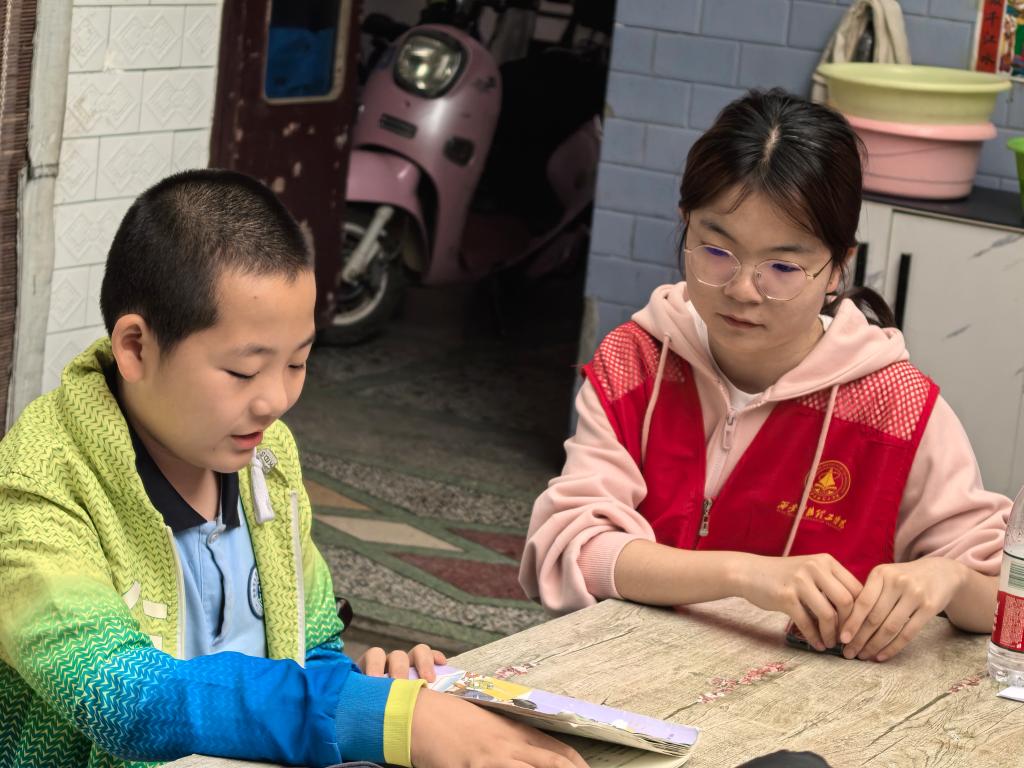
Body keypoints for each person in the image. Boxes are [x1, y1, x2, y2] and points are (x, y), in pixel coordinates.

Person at [0, 170, 585, 768]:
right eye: (243, 371)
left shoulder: (266, 456)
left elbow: (312, 645)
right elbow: (124, 697)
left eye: (298, 363)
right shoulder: (36, 487)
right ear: (136, 348)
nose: (275, 401)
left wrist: (371, 685)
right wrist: (375, 716)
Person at [519, 88, 1009, 663]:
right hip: (624, 676)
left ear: (837, 268)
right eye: (716, 250)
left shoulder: (896, 408)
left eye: (782, 266)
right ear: (685, 227)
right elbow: (574, 550)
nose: (743, 290)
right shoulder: (637, 362)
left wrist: (950, 577)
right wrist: (744, 575)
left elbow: (1008, 601)